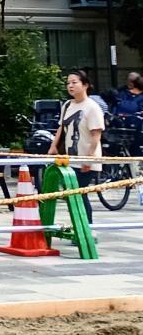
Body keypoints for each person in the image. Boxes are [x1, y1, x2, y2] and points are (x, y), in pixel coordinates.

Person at [48, 70, 105, 223]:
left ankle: (87, 229)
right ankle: (82, 228)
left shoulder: (92, 107)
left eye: (74, 82)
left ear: (85, 85)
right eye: (68, 83)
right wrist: (53, 146)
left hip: (87, 158)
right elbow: (61, 127)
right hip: (70, 157)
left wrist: (89, 158)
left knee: (77, 193)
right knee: (73, 194)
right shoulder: (67, 105)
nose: (70, 86)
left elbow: (96, 134)